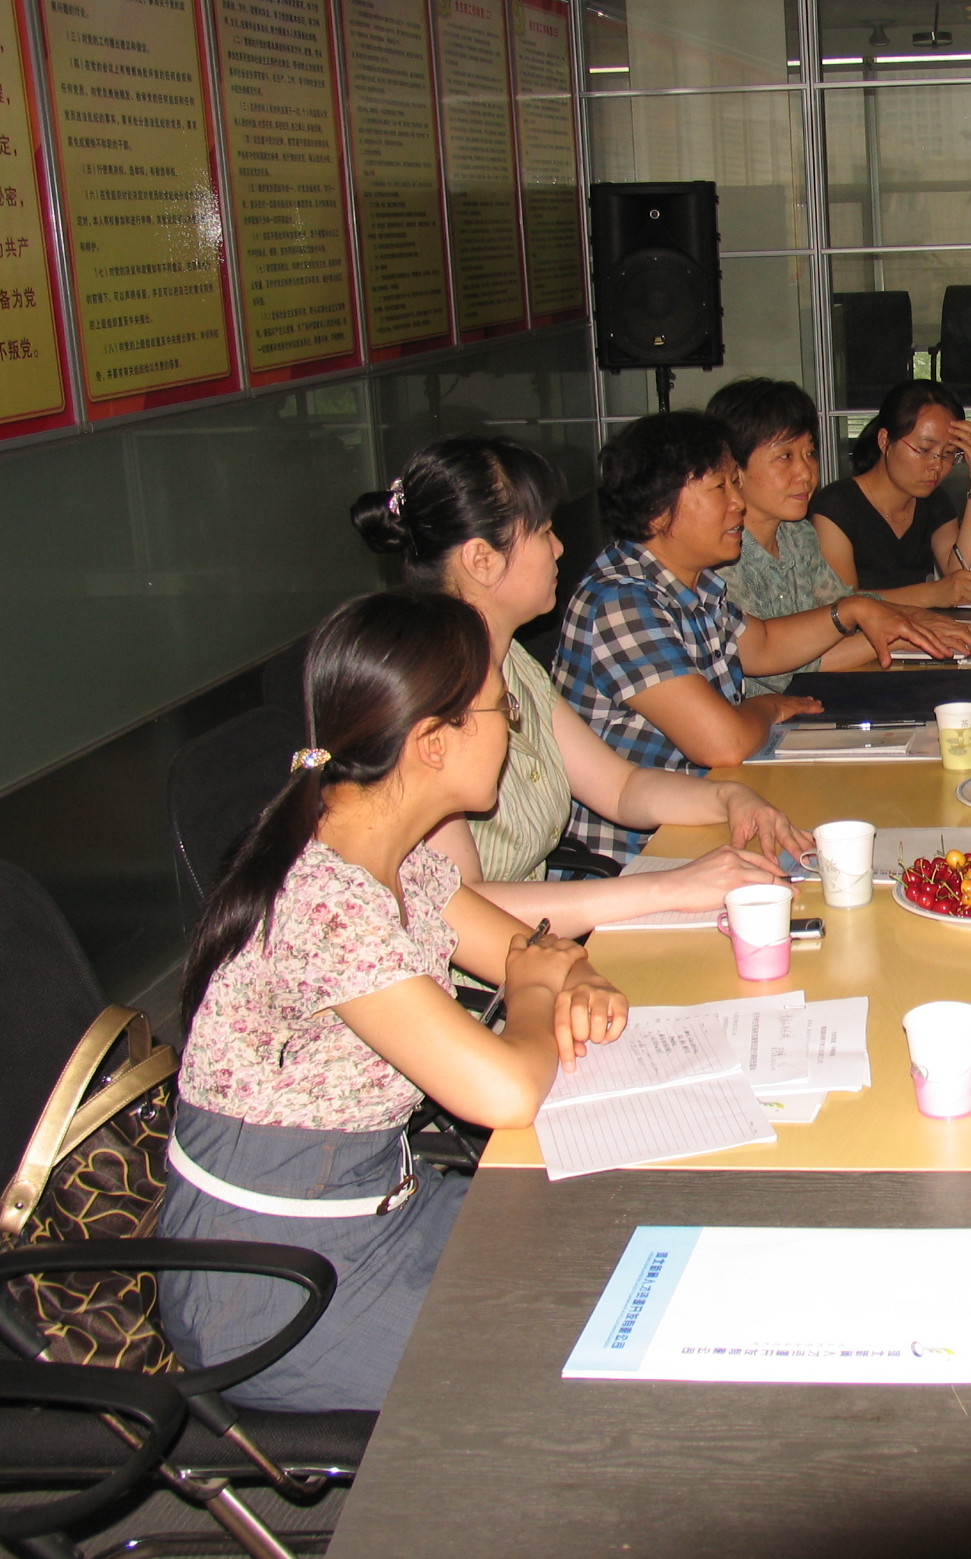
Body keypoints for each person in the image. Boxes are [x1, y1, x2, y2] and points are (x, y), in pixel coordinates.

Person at [160, 590, 631, 1411]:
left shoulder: (393, 856)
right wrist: (534, 990)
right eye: (503, 710)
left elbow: (528, 947)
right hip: (273, 1286)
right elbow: (506, 1089)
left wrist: (575, 977)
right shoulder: (327, 901)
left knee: (619, 1250)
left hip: (382, 1208)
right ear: (433, 743)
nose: (512, 729)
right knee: (590, 1357)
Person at [352, 436, 805, 930]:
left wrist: (730, 798)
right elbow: (459, 913)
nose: (559, 548)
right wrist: (671, 887)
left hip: (539, 940)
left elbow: (621, 787)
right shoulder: (427, 695)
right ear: (482, 560)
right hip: (499, 960)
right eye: (544, 532)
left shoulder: (513, 663)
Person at [555, 410, 971, 857]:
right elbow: (724, 743)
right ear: (659, 511)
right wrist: (769, 706)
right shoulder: (622, 602)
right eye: (720, 488)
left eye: (735, 485)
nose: (737, 503)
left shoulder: (691, 583)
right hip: (644, 851)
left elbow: (762, 646)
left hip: (712, 808)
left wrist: (851, 610)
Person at [713, 377, 971, 695]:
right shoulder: (719, 555)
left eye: (809, 453)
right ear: (733, 468)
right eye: (785, 456)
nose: (806, 473)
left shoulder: (796, 535)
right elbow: (782, 668)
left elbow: (841, 604)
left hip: (813, 702)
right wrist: (903, 633)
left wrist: (914, 618)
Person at [810, 378, 971, 597]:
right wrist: (932, 594)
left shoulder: (934, 501)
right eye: (924, 450)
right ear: (884, 441)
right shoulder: (836, 506)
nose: (936, 465)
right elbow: (842, 606)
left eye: (948, 454)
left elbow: (966, 578)